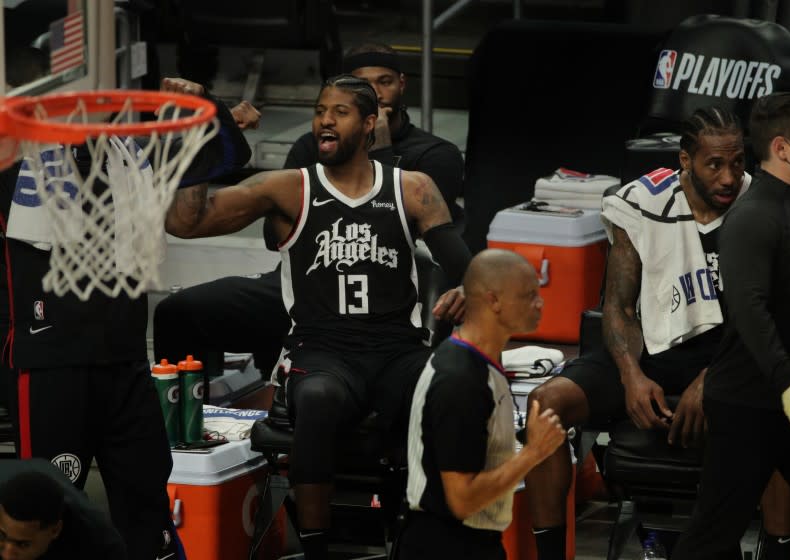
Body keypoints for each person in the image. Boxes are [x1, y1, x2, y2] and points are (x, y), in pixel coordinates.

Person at [164, 74, 472, 559]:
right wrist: (194, 132)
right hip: (322, 350)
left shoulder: (412, 188)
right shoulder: (288, 188)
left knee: (448, 390)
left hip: (397, 348)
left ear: (370, 123)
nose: (325, 119)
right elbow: (186, 221)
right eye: (320, 110)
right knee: (320, 399)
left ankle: (422, 537)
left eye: (340, 111)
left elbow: (465, 267)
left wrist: (465, 288)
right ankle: (316, 549)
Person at [524, 106, 790, 560]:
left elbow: (770, 321)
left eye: (737, 162)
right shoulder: (641, 201)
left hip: (735, 357)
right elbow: (618, 306)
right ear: (685, 160)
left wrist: (714, 377)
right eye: (715, 164)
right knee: (544, 406)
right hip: (653, 348)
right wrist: (631, 374)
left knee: (775, 424)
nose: (729, 177)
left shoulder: (764, 207)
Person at [1, 77, 255, 559]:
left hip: (126, 363)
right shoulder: (16, 160)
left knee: (147, 508)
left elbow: (227, 155)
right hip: (51, 365)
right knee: (48, 512)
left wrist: (201, 104)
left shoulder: (130, 153)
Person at [152, 41, 466, 373]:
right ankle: (200, 416)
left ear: (397, 88)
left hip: (386, 293)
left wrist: (378, 148)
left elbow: (400, 230)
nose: (373, 90)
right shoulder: (312, 146)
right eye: (360, 83)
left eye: (383, 82)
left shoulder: (433, 158)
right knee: (179, 311)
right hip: (306, 282)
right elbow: (267, 237)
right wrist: (198, 133)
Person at [671, 92, 790, 560]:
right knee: (711, 537)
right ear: (784, 149)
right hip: (750, 403)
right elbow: (749, 308)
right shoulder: (754, 216)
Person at [400, 249, 565, 560]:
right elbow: (462, 500)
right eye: (529, 295)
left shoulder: (480, 362)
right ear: (494, 301)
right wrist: (533, 453)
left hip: (473, 541)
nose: (540, 303)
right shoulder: (460, 381)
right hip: (445, 547)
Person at [0, 463, 125, 560]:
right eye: (2, 535)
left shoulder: (100, 545)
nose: (7, 555)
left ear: (55, 530)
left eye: (22, 544)